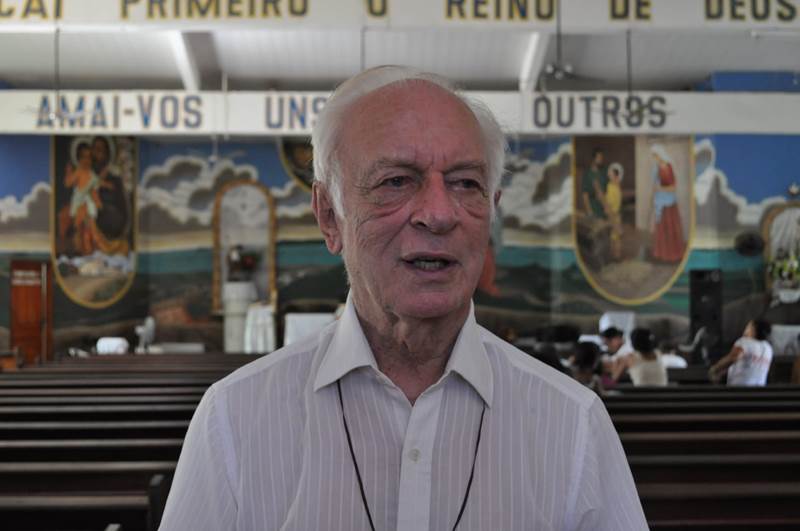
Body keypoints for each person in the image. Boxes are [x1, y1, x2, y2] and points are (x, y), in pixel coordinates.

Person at [159, 66, 646, 530]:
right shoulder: (235, 421)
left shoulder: (573, 425)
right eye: (396, 181)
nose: (439, 213)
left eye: (466, 184)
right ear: (329, 216)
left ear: (491, 213)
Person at [709, 319, 773, 386]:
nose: (745, 329)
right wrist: (722, 373)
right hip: (760, 390)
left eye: (748, 326)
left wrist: (715, 369)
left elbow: (733, 358)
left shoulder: (745, 342)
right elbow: (751, 366)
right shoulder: (768, 348)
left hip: (740, 389)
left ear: (753, 329)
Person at [649, 144, 685, 263]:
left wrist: (660, 189)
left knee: (670, 228)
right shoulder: (655, 168)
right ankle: (662, 254)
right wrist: (655, 193)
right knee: (662, 229)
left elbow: (673, 187)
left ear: (660, 155)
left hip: (669, 202)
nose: (654, 158)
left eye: (655, 155)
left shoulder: (669, 167)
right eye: (653, 156)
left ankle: (673, 254)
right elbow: (654, 185)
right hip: (659, 202)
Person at [581, 147, 608, 219]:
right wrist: (589, 211)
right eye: (599, 157)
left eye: (602, 157)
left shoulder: (603, 172)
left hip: (604, 210)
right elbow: (585, 194)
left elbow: (607, 190)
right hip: (594, 210)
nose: (601, 159)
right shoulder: (587, 174)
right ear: (593, 159)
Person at [605, 162, 624, 261]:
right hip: (611, 213)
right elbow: (608, 199)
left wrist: (610, 209)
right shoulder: (610, 185)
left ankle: (617, 255)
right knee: (612, 235)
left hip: (614, 214)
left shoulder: (615, 186)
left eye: (611, 174)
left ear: (616, 176)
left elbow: (614, 201)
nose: (609, 175)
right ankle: (613, 254)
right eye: (609, 174)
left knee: (616, 235)